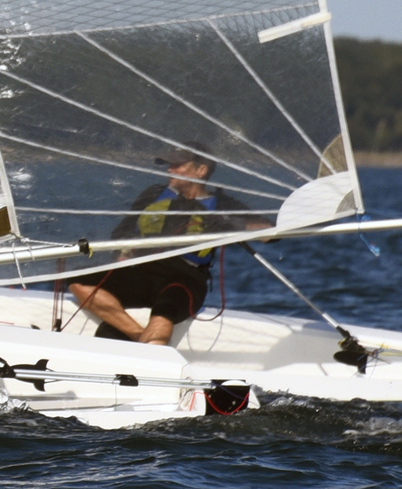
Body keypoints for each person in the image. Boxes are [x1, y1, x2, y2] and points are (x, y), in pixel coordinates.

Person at [69, 143, 269, 345]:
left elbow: (268, 233)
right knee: (79, 279)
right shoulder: (154, 194)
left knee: (164, 313)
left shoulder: (222, 204)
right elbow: (122, 230)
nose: (169, 169)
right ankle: (139, 335)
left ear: (201, 170)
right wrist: (123, 251)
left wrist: (234, 222)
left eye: (177, 165)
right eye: (169, 164)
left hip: (185, 278)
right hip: (144, 271)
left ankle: (152, 352)